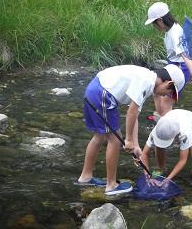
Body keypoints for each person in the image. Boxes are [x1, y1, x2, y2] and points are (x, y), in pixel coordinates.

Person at [75, 64, 185, 196]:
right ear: (168, 83)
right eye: (169, 93)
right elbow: (131, 112)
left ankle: (85, 177)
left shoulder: (146, 77)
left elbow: (135, 115)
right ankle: (111, 185)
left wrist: (136, 145)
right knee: (115, 141)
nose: (165, 96)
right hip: (103, 94)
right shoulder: (147, 82)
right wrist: (127, 139)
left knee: (100, 136)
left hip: (94, 90)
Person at [145, 2, 192, 120]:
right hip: (172, 66)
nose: (154, 27)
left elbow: (185, 56)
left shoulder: (175, 33)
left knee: (166, 101)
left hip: (180, 69)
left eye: (154, 23)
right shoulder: (171, 29)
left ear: (160, 20)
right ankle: (160, 116)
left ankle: (165, 121)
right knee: (156, 90)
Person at [141, 109, 192, 186]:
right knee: (158, 147)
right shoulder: (156, 131)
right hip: (174, 119)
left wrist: (169, 178)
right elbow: (144, 154)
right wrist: (147, 175)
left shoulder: (184, 133)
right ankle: (161, 168)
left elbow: (182, 160)